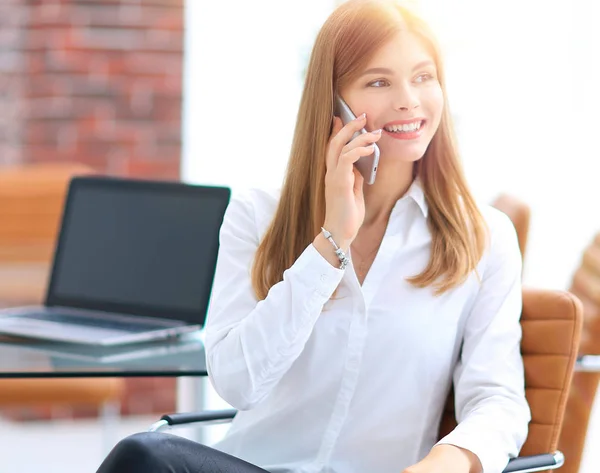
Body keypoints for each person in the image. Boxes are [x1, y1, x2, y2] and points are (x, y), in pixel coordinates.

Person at [96, 0, 530, 472]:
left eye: (424, 77)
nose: (409, 99)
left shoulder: (485, 237)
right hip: (252, 465)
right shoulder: (257, 213)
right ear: (334, 102)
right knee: (143, 454)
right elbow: (237, 383)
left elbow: (498, 399)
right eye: (379, 81)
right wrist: (330, 244)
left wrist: (446, 462)